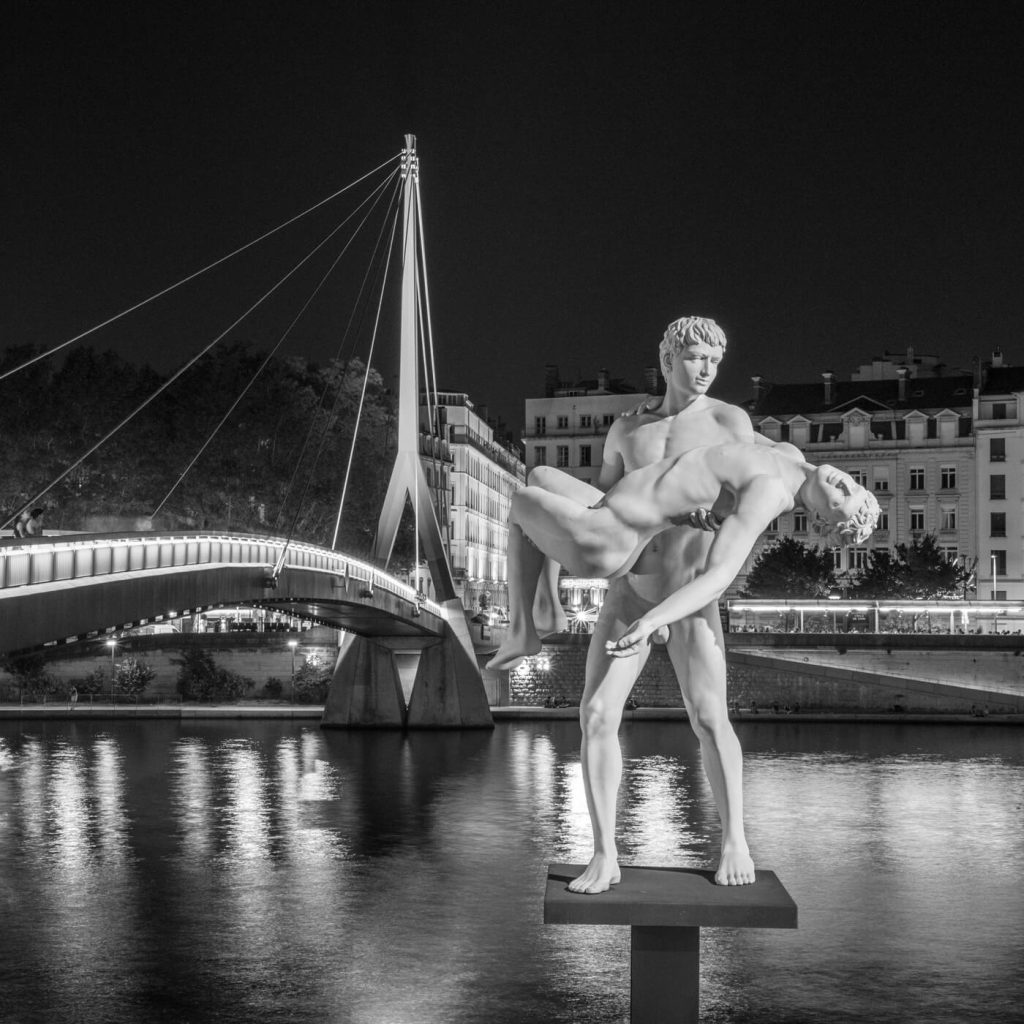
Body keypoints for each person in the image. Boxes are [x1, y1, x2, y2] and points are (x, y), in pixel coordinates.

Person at [489, 316, 877, 894]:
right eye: (696, 359)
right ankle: (603, 852)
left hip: (691, 598)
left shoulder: (729, 420)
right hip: (630, 586)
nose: (706, 372)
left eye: (715, 363)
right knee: (595, 714)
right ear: (668, 358)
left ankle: (734, 840)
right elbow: (607, 499)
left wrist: (710, 514)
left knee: (709, 718)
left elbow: (757, 491)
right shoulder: (624, 430)